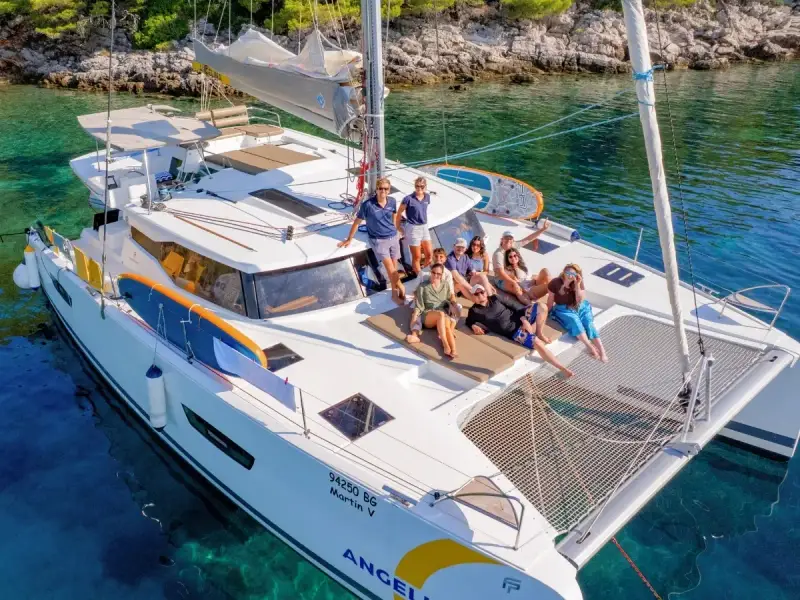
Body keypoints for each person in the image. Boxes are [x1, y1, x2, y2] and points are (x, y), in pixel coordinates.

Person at [466, 284, 573, 378]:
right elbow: (468, 321)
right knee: (537, 343)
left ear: (485, 292)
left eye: (482, 292)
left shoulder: (495, 298)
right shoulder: (474, 311)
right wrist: (473, 325)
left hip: (520, 319)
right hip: (514, 332)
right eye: (476, 294)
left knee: (542, 306)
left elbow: (516, 307)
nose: (480, 295)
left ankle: (539, 332)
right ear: (473, 296)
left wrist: (524, 320)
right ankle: (562, 368)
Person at [339, 177, 405, 301]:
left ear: (389, 190)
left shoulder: (392, 201)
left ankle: (394, 292)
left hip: (393, 237)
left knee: (394, 268)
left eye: (386, 189)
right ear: (377, 189)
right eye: (381, 188)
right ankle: (399, 288)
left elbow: (394, 215)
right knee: (391, 269)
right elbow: (357, 222)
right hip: (379, 240)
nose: (383, 191)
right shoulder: (368, 205)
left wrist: (397, 228)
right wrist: (349, 239)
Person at [547, 263, 608, 362]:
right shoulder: (555, 283)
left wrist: (577, 285)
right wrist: (547, 312)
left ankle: (602, 351)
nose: (570, 276)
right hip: (563, 308)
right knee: (574, 321)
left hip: (580, 306)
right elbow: (550, 300)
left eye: (573, 274)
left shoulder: (579, 282)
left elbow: (579, 300)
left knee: (589, 324)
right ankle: (589, 346)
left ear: (577, 275)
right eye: (567, 273)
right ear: (563, 272)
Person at [406, 263, 459, 359]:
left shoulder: (445, 285)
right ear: (431, 272)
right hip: (428, 315)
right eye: (434, 273)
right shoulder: (423, 286)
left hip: (441, 313)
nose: (436, 275)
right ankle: (445, 344)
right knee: (441, 314)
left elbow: (448, 299)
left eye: (439, 274)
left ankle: (454, 350)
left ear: (442, 274)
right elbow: (419, 304)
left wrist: (452, 305)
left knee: (447, 327)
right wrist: (415, 316)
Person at [492, 222, 551, 299]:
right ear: (502, 240)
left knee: (545, 272)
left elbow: (529, 239)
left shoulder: (514, 246)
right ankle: (544, 293)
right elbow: (501, 273)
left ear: (513, 240)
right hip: (516, 282)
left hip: (525, 279)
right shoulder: (498, 254)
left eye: (510, 238)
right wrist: (515, 283)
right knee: (549, 286)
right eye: (506, 238)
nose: (508, 240)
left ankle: (550, 294)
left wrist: (543, 229)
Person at [395, 176, 432, 275]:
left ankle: (424, 273)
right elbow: (399, 213)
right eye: (417, 186)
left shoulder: (427, 197)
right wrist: (398, 227)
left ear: (425, 187)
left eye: (422, 186)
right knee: (417, 257)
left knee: (429, 255)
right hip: (413, 228)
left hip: (424, 227)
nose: (419, 188)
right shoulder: (408, 199)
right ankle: (419, 277)